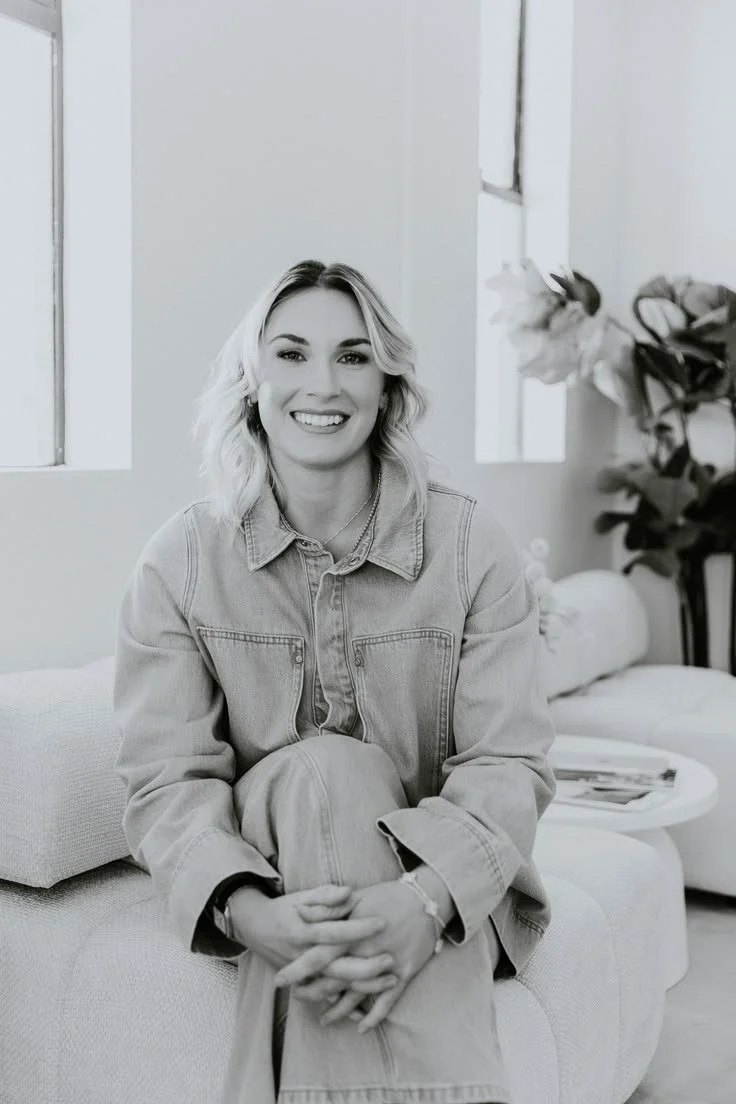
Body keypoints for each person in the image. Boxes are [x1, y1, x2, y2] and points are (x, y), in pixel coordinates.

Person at [112, 259, 557, 1104]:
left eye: (353, 356)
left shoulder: (471, 547)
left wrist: (422, 903)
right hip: (275, 875)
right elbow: (167, 781)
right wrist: (249, 913)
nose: (323, 383)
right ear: (252, 382)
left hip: (448, 883)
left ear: (387, 387)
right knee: (325, 768)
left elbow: (508, 765)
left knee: (336, 771)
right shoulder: (181, 562)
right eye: (291, 353)